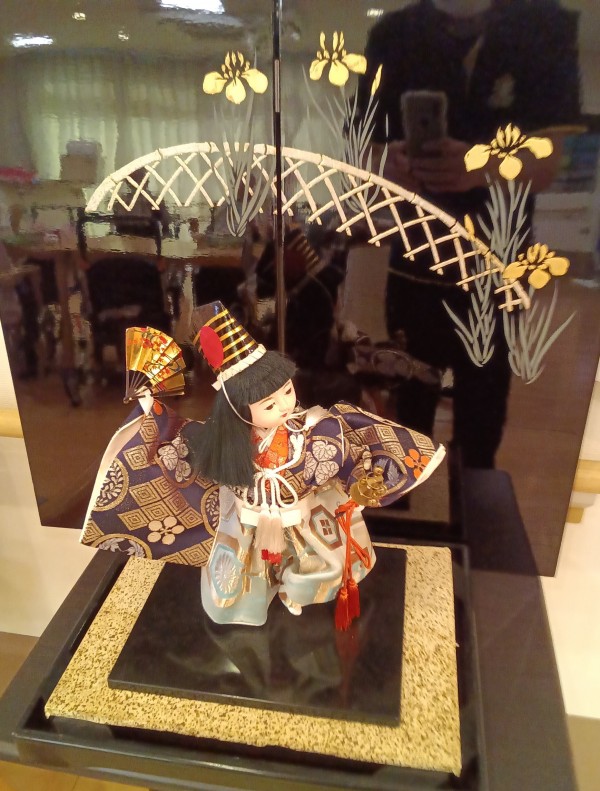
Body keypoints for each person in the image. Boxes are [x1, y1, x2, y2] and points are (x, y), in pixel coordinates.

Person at [80, 302, 445, 628]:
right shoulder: (226, 441)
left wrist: (360, 484)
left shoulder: (317, 431)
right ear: (239, 410)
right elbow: (175, 440)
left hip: (301, 520)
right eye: (270, 405)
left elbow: (347, 457)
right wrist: (151, 407)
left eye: (287, 391)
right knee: (239, 578)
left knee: (316, 565)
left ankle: (295, 594)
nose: (285, 405)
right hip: (248, 524)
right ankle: (252, 603)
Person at [356, 0, 581, 468]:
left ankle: (465, 502)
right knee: (407, 418)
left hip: (495, 268)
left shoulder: (544, 28)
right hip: (417, 262)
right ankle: (412, 500)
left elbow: (547, 165)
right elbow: (366, 154)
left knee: (481, 418)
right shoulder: (394, 35)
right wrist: (389, 164)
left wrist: (479, 167)